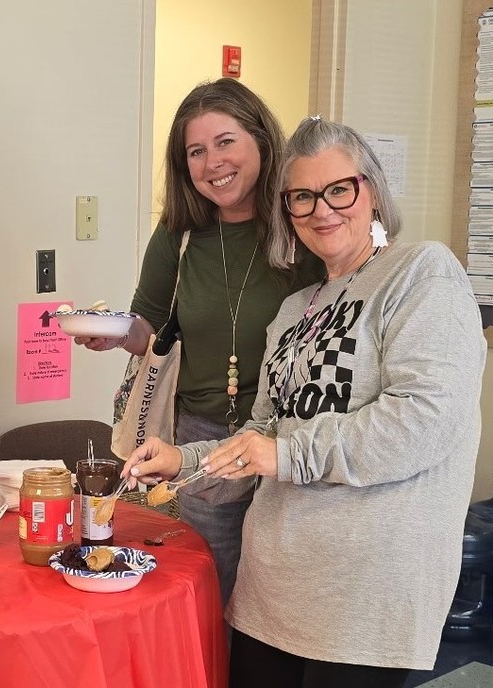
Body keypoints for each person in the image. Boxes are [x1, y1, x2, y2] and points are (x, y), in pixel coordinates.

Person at [122, 116, 485, 687]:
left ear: (373, 190)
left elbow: (423, 421)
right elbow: (264, 432)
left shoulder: (420, 273)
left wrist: (287, 455)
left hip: (366, 594)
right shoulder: (295, 309)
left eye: (340, 189)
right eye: (302, 197)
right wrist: (184, 461)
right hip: (270, 591)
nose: (323, 209)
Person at [76, 78, 321, 605]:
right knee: (214, 587)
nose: (214, 163)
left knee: (287, 593)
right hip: (204, 438)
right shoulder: (179, 235)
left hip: (292, 439)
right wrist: (115, 334)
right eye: (197, 151)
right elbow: (149, 331)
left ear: (260, 139)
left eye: (226, 142)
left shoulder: (307, 225)